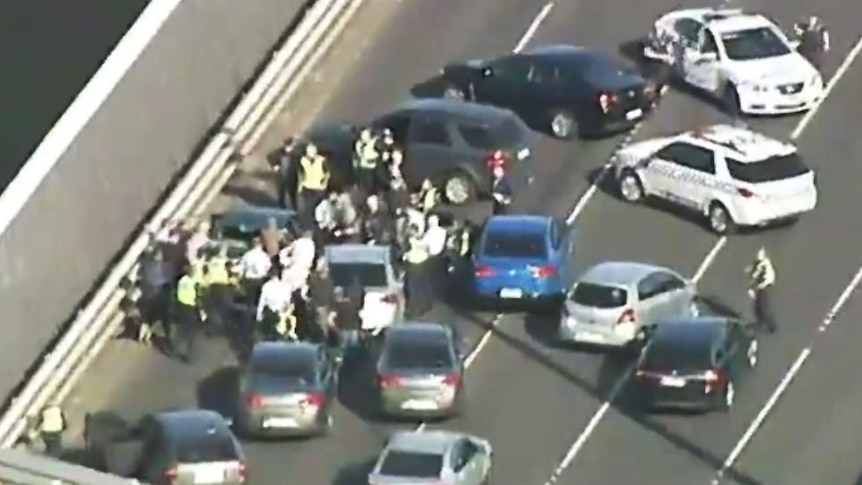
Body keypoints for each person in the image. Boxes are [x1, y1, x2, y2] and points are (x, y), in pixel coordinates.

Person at [256, 272, 296, 341]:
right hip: (277, 313)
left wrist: (259, 315)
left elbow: (262, 302)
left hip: (275, 313)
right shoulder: (286, 286)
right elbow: (289, 302)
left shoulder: (267, 286)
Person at [203, 247, 233, 335]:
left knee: (213, 308)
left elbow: (206, 272)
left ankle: (211, 329)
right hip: (222, 285)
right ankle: (222, 329)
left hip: (212, 285)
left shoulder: (210, 261)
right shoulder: (225, 261)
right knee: (224, 308)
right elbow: (230, 271)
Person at [173, 266, 201, 362]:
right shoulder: (189, 282)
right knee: (191, 332)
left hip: (181, 306)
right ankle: (189, 354)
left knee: (182, 329)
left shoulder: (182, 281)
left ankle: (175, 346)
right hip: (189, 307)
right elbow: (192, 295)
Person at [297, 143, 330, 223]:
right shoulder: (302, 160)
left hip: (319, 188)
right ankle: (309, 222)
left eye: (312, 151)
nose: (311, 153)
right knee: (308, 207)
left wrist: (324, 183)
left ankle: (320, 222)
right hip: (307, 187)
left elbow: (327, 173)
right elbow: (300, 174)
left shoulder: (321, 160)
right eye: (309, 151)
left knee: (319, 207)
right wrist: (300, 185)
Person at [747, 247, 777, 333]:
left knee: (762, 306)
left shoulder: (764, 265)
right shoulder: (761, 263)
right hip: (761, 286)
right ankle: (761, 322)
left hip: (764, 285)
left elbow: (761, 275)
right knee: (758, 306)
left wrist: (759, 285)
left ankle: (769, 325)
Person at [403, 236, 431, 317]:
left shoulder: (414, 241)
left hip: (417, 264)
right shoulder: (415, 240)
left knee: (415, 287)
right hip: (417, 264)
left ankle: (419, 307)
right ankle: (419, 307)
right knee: (415, 287)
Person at [423, 214, 448, 297]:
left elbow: (424, 245)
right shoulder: (443, 231)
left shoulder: (428, 234)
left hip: (431, 256)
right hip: (441, 255)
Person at [353, 128, 381, 194]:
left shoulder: (374, 142)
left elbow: (378, 152)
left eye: (366, 135)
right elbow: (360, 154)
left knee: (371, 183)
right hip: (364, 167)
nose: (365, 137)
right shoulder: (359, 144)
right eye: (363, 135)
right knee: (365, 183)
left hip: (372, 168)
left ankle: (371, 192)